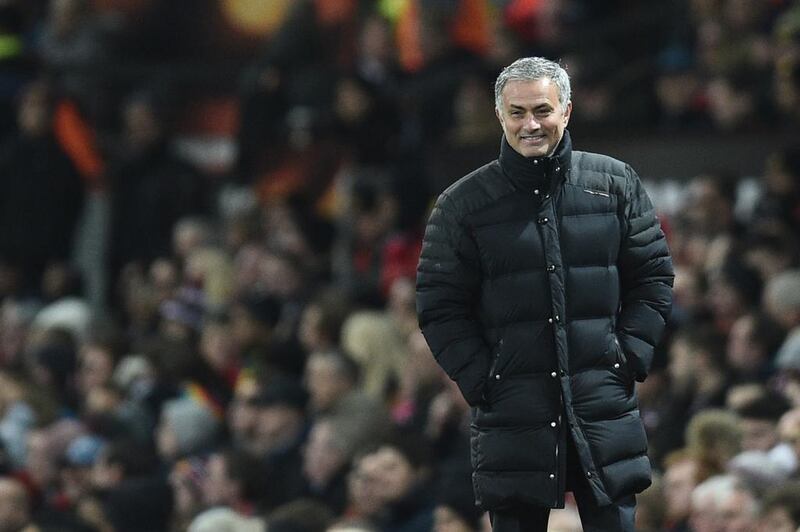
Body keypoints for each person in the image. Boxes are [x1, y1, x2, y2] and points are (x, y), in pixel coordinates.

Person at [416, 56, 674, 531]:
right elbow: (438, 306)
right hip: (512, 413)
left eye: (542, 110)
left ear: (567, 111)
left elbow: (654, 276)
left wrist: (627, 356)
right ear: (500, 116)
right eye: (517, 113)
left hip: (602, 404)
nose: (530, 124)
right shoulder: (461, 205)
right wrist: (484, 381)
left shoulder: (615, 184)